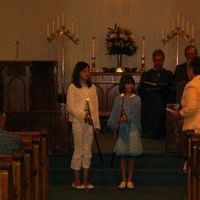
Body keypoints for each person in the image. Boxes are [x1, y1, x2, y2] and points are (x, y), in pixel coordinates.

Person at [67, 61, 100, 189]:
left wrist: (96, 125)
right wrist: (84, 116)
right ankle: (77, 181)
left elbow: (95, 107)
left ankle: (85, 181)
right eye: (84, 71)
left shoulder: (92, 88)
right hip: (78, 122)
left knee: (88, 151)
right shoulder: (73, 87)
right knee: (78, 150)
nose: (87, 73)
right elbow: (70, 107)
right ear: (78, 72)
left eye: (88, 71)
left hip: (90, 124)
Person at [107, 75, 143, 189]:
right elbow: (114, 114)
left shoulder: (137, 99)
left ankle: (130, 179)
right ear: (123, 85)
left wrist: (126, 118)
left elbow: (135, 115)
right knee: (122, 156)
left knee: (131, 156)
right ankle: (123, 179)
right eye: (127, 83)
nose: (130, 86)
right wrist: (116, 121)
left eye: (131, 83)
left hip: (132, 129)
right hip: (122, 130)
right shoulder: (118, 99)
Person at [137, 49, 174, 138]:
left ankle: (158, 131)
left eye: (160, 60)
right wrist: (149, 90)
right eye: (157, 60)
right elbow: (140, 90)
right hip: (149, 101)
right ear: (153, 61)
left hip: (164, 100)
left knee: (158, 99)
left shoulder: (168, 74)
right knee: (154, 99)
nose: (158, 63)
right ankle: (152, 131)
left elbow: (172, 89)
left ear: (163, 60)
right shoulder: (146, 74)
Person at [171, 56, 200, 134]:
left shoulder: (192, 85)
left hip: (194, 128)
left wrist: (180, 113)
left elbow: (191, 107)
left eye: (187, 69)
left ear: (191, 69)